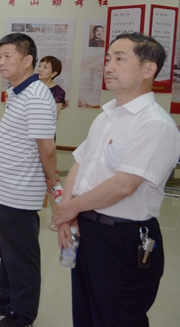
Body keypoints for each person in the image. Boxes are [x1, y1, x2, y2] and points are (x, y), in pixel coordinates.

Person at [53, 33, 180, 327]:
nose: (109, 66)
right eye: (108, 59)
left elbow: (124, 185)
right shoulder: (107, 116)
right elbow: (80, 163)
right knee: (85, 314)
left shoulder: (154, 123)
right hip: (88, 229)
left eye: (120, 59)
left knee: (117, 318)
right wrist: (67, 212)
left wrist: (70, 209)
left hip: (124, 238)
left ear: (149, 69)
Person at [0, 33, 58, 327]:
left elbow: (47, 148)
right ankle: (6, 302)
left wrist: (52, 181)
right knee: (6, 250)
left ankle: (22, 316)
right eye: (0, 56)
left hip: (20, 190)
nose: (1, 62)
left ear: (27, 60)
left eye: (8, 56)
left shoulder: (36, 96)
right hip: (4, 188)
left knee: (21, 256)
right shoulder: (18, 92)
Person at [37, 55, 66, 231]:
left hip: (45, 137)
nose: (40, 69)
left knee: (50, 178)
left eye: (45, 67)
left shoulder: (57, 92)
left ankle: (58, 216)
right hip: (27, 138)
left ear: (54, 73)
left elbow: (53, 117)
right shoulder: (31, 85)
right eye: (40, 65)